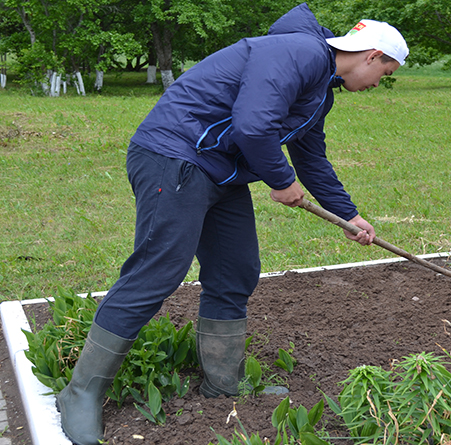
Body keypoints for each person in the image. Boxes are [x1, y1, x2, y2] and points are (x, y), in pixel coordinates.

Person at [56, 4, 409, 444]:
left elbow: (311, 158)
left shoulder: (320, 89)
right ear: (371, 55)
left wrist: (348, 216)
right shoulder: (298, 52)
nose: (378, 83)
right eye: (385, 72)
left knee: (235, 269)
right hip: (175, 157)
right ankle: (81, 393)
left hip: (221, 173)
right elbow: (253, 124)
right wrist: (281, 182)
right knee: (157, 271)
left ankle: (223, 382)